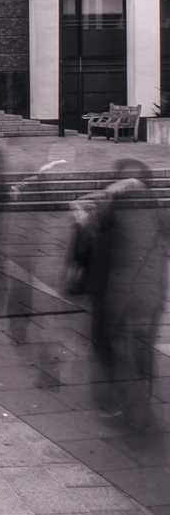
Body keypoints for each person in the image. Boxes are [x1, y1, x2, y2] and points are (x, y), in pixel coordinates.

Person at [71, 159, 170, 430]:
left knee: (113, 349)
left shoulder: (108, 210)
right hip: (150, 298)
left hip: (116, 296)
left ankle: (120, 405)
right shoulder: (157, 210)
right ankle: (137, 406)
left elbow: (84, 233)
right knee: (140, 350)